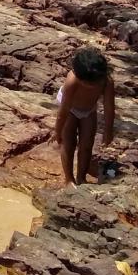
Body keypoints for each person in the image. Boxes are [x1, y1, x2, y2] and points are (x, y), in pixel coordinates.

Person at [54, 47, 116, 186]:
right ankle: (69, 179)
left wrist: (108, 131)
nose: (90, 86)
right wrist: (58, 130)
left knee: (87, 144)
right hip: (70, 109)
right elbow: (63, 110)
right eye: (86, 83)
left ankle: (81, 177)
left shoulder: (106, 82)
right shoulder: (72, 80)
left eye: (93, 84)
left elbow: (109, 108)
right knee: (68, 143)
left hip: (89, 109)